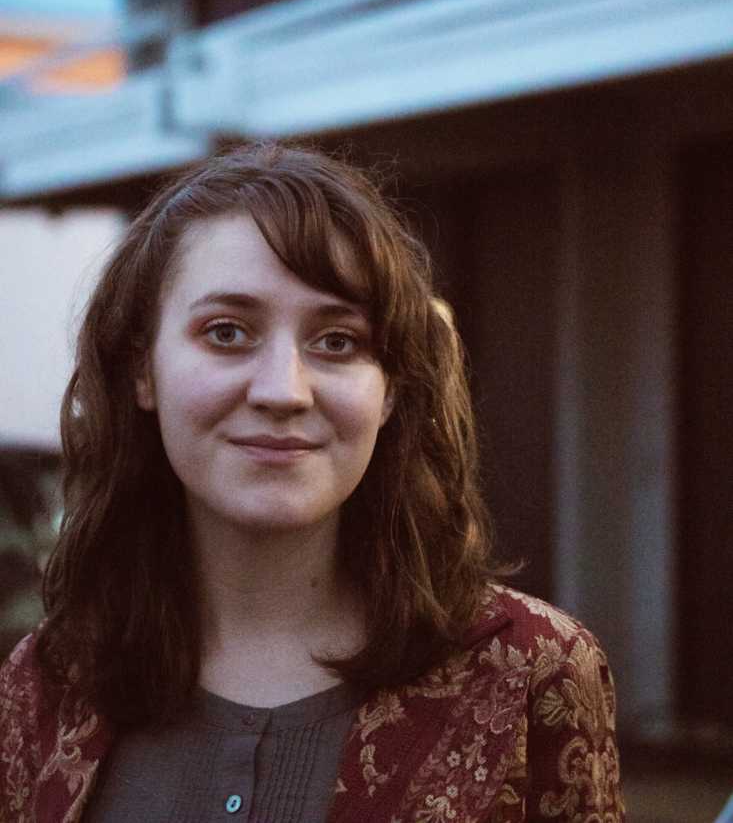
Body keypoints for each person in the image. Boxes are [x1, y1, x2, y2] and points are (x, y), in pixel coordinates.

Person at [0, 143, 624, 822]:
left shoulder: (530, 671)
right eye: (227, 332)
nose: (283, 391)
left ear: (389, 391)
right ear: (142, 369)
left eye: (336, 341)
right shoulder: (51, 678)